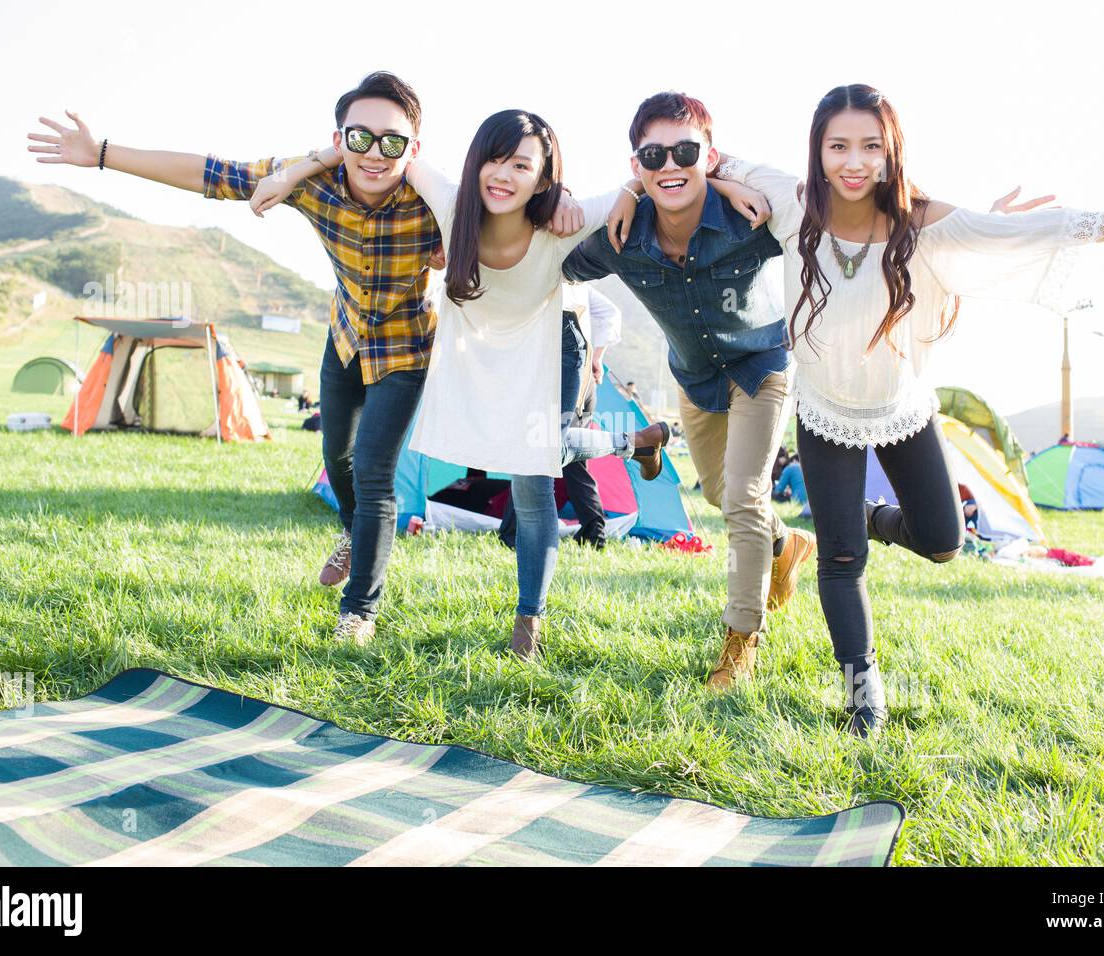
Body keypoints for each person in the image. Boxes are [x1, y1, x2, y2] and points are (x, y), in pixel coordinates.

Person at [700, 83, 1104, 736]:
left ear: (891, 150)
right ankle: (863, 693)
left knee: (944, 541)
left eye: (870, 146)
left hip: (900, 407)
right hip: (826, 411)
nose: (854, 162)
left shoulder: (925, 221)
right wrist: (714, 185)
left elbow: (1035, 229)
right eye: (839, 146)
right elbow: (705, 158)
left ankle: (864, 518)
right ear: (818, 150)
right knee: (840, 560)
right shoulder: (794, 202)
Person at [26, 73, 450, 646]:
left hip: (405, 349)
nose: (375, 154)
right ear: (339, 139)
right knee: (338, 459)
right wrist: (102, 153)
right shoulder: (312, 182)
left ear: (413, 148)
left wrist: (570, 205)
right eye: (360, 138)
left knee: (376, 474)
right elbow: (210, 174)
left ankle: (359, 613)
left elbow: (507, 206)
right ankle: (355, 533)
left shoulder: (434, 200)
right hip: (346, 339)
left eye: (392, 142)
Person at [254, 110, 671, 660]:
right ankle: (634, 443)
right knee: (538, 449)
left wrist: (627, 188)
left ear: (543, 178)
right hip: (478, 353)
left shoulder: (560, 226)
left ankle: (529, 620)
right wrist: (294, 171)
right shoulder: (452, 207)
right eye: (494, 160)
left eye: (521, 165)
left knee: (534, 477)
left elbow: (653, 180)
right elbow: (392, 150)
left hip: (548, 349)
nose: (503, 175)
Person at [562, 92, 819, 691]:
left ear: (710, 155)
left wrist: (726, 180)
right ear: (637, 164)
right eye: (654, 155)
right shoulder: (622, 234)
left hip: (762, 365)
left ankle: (741, 641)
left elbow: (819, 205)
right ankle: (785, 546)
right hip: (695, 378)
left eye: (685, 151)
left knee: (745, 497)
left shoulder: (747, 216)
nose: (670, 164)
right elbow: (552, 262)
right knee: (720, 493)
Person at [499, 284, 623, 551]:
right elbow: (611, 313)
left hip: (561, 381)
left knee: (535, 454)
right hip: (585, 383)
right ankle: (593, 531)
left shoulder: (543, 282)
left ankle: (512, 532)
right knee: (572, 462)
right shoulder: (580, 285)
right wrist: (597, 358)